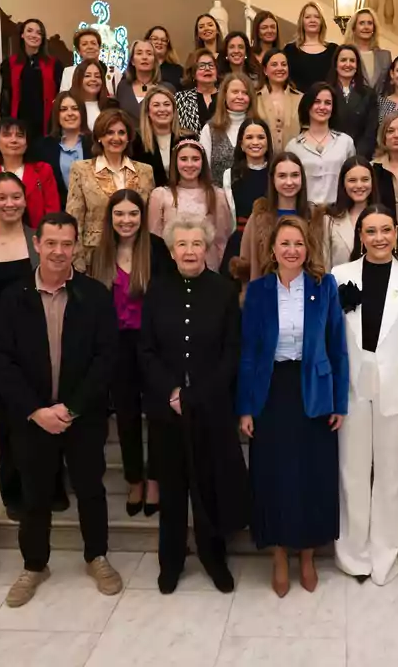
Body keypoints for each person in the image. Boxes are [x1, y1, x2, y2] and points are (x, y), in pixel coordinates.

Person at [0, 212, 123, 607]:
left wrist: (73, 407)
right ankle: (34, 565)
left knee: (90, 489)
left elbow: (106, 356)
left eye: (67, 243)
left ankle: (96, 556)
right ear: (37, 244)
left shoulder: (95, 295)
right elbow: (2, 360)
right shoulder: (13, 298)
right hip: (32, 420)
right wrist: (36, 410)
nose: (59, 251)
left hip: (82, 417)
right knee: (33, 495)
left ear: (76, 246)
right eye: (51, 243)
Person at [138, 214, 248, 593]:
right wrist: (171, 391)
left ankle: (213, 557)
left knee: (209, 487)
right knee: (171, 489)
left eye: (196, 244)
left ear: (207, 248)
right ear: (171, 250)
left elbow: (231, 352)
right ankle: (170, 561)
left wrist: (198, 394)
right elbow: (147, 349)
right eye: (181, 244)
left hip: (210, 408)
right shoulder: (157, 289)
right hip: (166, 409)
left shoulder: (222, 291)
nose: (189, 251)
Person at [239, 216, 349, 596]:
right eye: (284, 244)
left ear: (308, 249)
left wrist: (338, 400)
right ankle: (280, 554)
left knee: (312, 475)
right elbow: (250, 353)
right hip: (271, 391)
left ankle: (307, 553)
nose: (292, 250)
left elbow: (337, 346)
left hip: (314, 389)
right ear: (273, 250)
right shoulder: (257, 291)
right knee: (274, 475)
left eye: (298, 244)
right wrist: (246, 407)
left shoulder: (324, 285)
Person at [331, 204, 398, 585]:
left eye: (386, 230)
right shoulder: (341, 276)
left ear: (396, 232)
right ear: (360, 236)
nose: (379, 238)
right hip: (353, 386)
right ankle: (353, 554)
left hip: (397, 387)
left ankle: (384, 555)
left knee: (389, 477)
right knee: (352, 473)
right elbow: (334, 339)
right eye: (370, 231)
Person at [0, 173, 67, 521]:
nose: (10, 204)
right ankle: (15, 491)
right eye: (2, 197)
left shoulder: (39, 241)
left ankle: (53, 487)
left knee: (47, 415)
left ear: (25, 200)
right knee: (11, 424)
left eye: (16, 197)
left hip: (39, 345)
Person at [87, 189, 175, 519]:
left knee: (157, 415)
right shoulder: (100, 254)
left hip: (153, 345)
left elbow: (167, 299)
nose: (126, 221)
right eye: (120, 214)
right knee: (125, 417)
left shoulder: (155, 249)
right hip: (116, 347)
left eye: (133, 214)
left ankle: (155, 479)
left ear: (142, 216)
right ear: (111, 218)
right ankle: (134, 479)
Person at [66, 108, 155, 272]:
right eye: (109, 132)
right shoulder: (81, 170)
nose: (116, 138)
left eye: (121, 132)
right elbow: (74, 219)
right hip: (94, 257)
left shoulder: (145, 171)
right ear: (99, 137)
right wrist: (77, 264)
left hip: (135, 258)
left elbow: (149, 219)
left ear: (128, 137)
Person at [237, 153, 326, 281]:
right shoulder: (259, 217)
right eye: (282, 176)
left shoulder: (314, 217)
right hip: (267, 294)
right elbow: (247, 263)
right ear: (273, 179)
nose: (289, 182)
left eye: (295, 175)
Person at [147, 139, 233, 270]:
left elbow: (222, 239)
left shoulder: (217, 195)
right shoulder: (160, 195)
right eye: (183, 159)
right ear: (175, 162)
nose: (189, 164)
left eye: (195, 159)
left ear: (203, 162)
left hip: (208, 268)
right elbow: (154, 240)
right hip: (170, 269)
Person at [0, 118, 60, 237]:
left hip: (36, 242)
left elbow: (52, 214)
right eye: (7, 135)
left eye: (19, 135)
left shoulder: (43, 171)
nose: (14, 140)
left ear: (27, 143)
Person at [285, 82, 356, 205]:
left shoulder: (346, 143)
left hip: (338, 214)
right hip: (305, 215)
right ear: (308, 105)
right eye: (317, 102)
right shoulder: (293, 146)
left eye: (328, 103)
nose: (322, 107)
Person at [0, 18, 63, 141]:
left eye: (39, 33)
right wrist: (6, 124)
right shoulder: (10, 64)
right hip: (19, 123)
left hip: (46, 125)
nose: (34, 35)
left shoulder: (54, 64)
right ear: (22, 35)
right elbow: (5, 97)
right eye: (29, 31)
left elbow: (60, 96)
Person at [32, 92, 92, 209]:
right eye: (63, 109)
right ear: (57, 115)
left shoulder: (95, 144)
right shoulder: (43, 147)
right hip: (57, 215)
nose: (70, 113)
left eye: (75, 109)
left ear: (82, 113)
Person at [200, 74, 254, 187]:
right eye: (235, 92)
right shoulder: (210, 130)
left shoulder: (260, 128)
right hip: (219, 199)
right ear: (224, 95)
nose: (240, 96)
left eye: (245, 93)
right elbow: (204, 171)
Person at [325, 155, 379, 269]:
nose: (359, 185)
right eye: (352, 180)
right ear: (343, 183)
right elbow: (323, 266)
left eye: (365, 180)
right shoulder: (328, 221)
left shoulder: (384, 218)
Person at [328, 43, 379, 159]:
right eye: (343, 60)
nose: (347, 64)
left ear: (357, 66)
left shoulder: (369, 94)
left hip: (360, 158)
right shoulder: (325, 92)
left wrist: (357, 156)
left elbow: (370, 132)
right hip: (329, 156)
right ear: (336, 65)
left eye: (352, 61)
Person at [134, 85, 188, 188]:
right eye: (156, 105)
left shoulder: (187, 138)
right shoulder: (137, 141)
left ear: (173, 110)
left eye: (167, 104)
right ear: (148, 112)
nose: (162, 109)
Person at [225, 117, 274, 227]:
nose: (255, 142)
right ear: (241, 144)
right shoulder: (230, 175)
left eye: (261, 137)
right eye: (249, 137)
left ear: (268, 142)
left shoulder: (277, 173)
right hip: (240, 237)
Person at [256, 48, 304, 151]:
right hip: (263, 161)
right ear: (265, 70)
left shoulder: (300, 98)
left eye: (283, 64)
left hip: (293, 160)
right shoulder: (255, 98)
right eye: (274, 65)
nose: (280, 68)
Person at [283, 2, 336, 93]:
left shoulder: (334, 50)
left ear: (321, 22)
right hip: (297, 104)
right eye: (308, 17)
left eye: (317, 17)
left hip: (325, 104)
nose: (312, 20)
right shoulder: (290, 50)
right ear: (302, 22)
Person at [114, 38, 165, 129]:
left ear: (154, 61)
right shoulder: (123, 87)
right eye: (139, 53)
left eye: (149, 53)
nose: (144, 57)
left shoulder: (165, 89)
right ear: (132, 61)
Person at [62, 28, 120, 98]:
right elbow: (64, 100)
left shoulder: (114, 72)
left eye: (93, 43)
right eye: (84, 44)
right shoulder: (69, 72)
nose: (90, 47)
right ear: (78, 51)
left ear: (99, 48)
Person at [346, 7, 392, 90]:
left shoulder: (385, 56)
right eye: (361, 23)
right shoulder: (346, 55)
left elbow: (389, 87)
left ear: (374, 28)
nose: (366, 27)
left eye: (370, 23)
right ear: (354, 28)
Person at [175, 49, 219, 135]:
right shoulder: (181, 99)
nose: (207, 69)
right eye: (202, 66)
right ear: (193, 73)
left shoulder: (227, 97)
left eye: (211, 65)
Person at [69, 57, 115, 130]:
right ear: (79, 79)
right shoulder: (68, 106)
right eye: (87, 76)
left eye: (97, 76)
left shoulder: (112, 106)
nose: (93, 79)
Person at [145, 25, 184, 90]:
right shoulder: (140, 68)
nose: (159, 42)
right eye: (155, 39)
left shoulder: (178, 70)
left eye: (163, 40)